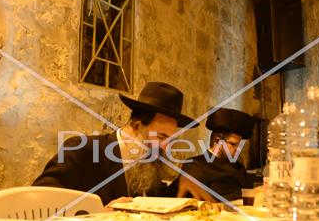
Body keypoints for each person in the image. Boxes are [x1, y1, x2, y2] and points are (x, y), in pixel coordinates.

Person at [33, 82, 214, 205]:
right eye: (161, 137)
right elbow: (40, 199)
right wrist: (97, 214)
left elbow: (152, 204)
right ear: (136, 126)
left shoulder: (150, 160)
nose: (166, 147)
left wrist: (181, 184)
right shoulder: (82, 150)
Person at [178, 108, 256, 201]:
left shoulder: (239, 167)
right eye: (233, 144)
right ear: (218, 140)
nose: (238, 149)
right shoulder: (195, 166)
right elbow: (196, 202)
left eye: (239, 145)